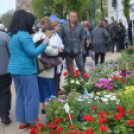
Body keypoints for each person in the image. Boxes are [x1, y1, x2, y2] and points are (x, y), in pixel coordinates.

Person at [7, 10, 48, 132]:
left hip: (15, 70)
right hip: (26, 71)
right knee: (32, 97)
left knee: (20, 97)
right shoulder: (24, 34)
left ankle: (22, 123)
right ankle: (32, 124)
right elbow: (33, 52)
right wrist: (45, 43)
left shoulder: (13, 35)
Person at [33, 19, 63, 114]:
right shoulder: (44, 38)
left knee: (42, 90)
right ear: (48, 31)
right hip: (46, 68)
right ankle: (49, 111)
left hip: (39, 68)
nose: (52, 34)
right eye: (52, 32)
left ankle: (44, 108)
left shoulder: (36, 36)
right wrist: (58, 51)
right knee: (49, 91)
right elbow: (48, 50)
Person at [60, 10, 86, 75]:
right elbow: (60, 37)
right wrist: (63, 46)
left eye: (74, 17)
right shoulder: (64, 26)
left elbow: (83, 38)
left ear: (77, 17)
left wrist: (80, 47)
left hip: (77, 50)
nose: (73, 18)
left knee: (81, 67)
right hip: (68, 51)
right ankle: (70, 83)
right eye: (71, 17)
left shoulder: (80, 26)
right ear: (69, 17)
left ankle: (86, 82)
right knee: (70, 69)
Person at [0, 24, 12, 124]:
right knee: (5, 92)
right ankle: (4, 115)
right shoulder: (5, 37)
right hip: (4, 70)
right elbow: (11, 52)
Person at [51, 20, 65, 95]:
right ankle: (54, 92)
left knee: (58, 76)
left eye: (60, 26)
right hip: (53, 59)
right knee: (54, 77)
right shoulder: (51, 35)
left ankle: (56, 90)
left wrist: (61, 47)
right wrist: (58, 49)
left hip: (59, 58)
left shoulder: (57, 34)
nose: (59, 27)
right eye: (57, 26)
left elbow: (61, 43)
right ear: (53, 26)